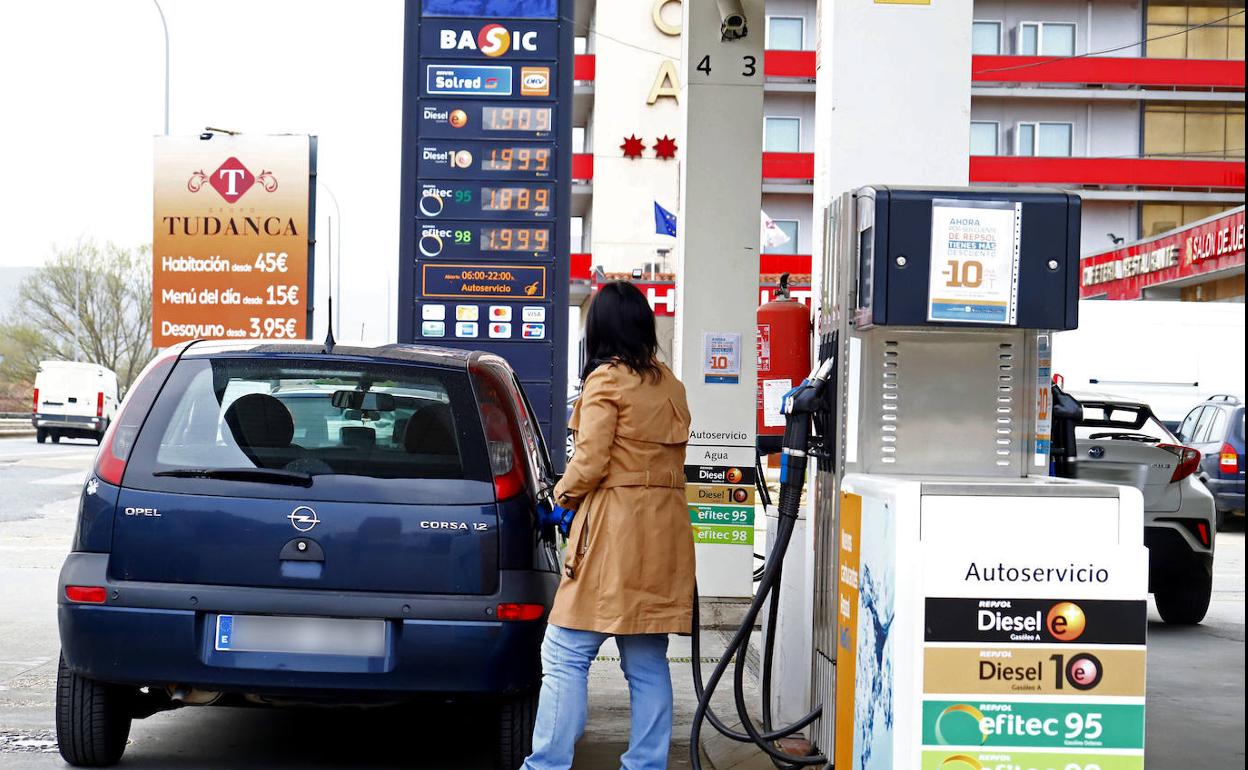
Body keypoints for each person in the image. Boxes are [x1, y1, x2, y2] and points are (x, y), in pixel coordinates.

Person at [523, 281, 694, 770]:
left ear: (600, 329)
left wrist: (557, 499)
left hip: (613, 531)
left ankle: (546, 765)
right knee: (646, 659)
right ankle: (645, 764)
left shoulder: (606, 381)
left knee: (563, 653)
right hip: (664, 533)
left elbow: (591, 460)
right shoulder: (670, 383)